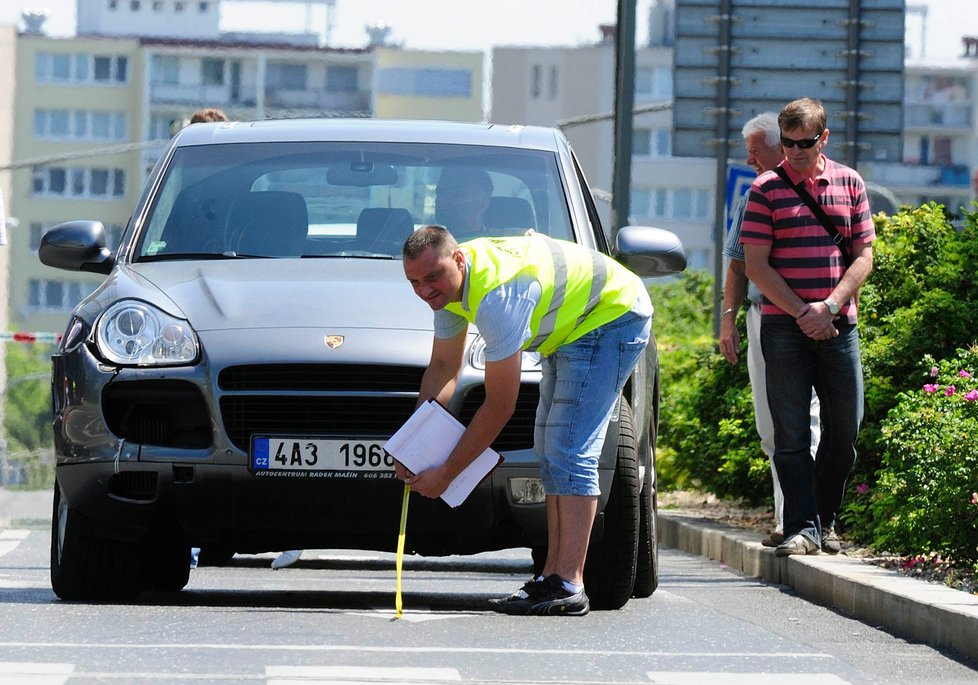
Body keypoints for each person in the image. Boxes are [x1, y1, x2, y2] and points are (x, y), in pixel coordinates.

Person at [401, 225, 652, 616]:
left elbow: (500, 405)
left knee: (570, 448)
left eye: (432, 277)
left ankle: (569, 583)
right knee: (550, 452)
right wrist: (412, 446)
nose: (425, 290)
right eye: (414, 281)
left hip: (613, 317)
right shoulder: (448, 290)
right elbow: (443, 369)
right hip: (572, 328)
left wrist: (447, 472)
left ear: (458, 260)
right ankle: (552, 577)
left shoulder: (498, 296)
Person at [741, 97, 875, 557]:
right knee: (791, 433)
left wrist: (832, 306)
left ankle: (823, 519)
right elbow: (755, 266)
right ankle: (802, 528)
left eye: (806, 142)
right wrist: (804, 311)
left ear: (825, 137)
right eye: (789, 143)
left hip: (840, 326)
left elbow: (863, 255)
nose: (796, 151)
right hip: (784, 328)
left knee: (845, 430)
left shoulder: (850, 182)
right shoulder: (764, 189)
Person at [719, 112, 821, 548]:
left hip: (819, 320)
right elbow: (739, 265)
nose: (750, 159)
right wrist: (728, 317)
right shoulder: (753, 195)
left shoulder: (831, 187)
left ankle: (811, 521)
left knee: (815, 422)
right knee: (772, 426)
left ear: (785, 146)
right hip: (766, 319)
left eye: (755, 151)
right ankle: (789, 518)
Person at [434, 168, 493, 241]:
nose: (444, 200)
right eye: (441, 192)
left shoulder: (496, 249)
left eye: (457, 194)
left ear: (483, 204)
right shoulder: (427, 246)